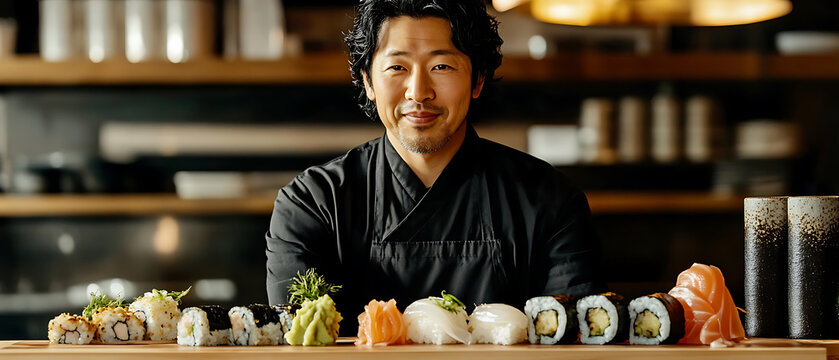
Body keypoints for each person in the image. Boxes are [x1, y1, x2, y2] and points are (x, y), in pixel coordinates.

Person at [266, 0, 603, 330]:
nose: (419, 92)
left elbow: (568, 345)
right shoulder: (313, 204)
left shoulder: (550, 200)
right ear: (368, 81)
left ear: (478, 80)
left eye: (441, 66)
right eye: (397, 67)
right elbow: (303, 347)